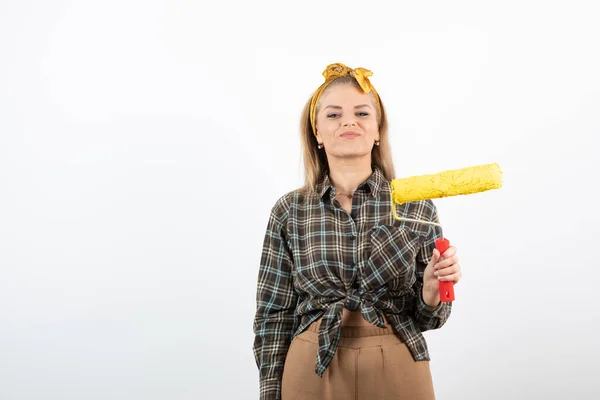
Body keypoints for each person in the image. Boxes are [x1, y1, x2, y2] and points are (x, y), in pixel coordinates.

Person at [252, 63, 462, 400]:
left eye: (362, 113)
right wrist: (270, 392)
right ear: (317, 133)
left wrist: (432, 291)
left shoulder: (416, 206)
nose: (348, 121)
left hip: (398, 363)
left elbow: (429, 319)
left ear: (378, 130)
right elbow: (273, 314)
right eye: (333, 115)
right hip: (311, 366)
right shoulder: (289, 210)